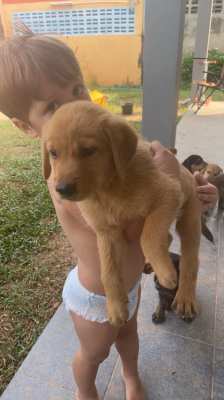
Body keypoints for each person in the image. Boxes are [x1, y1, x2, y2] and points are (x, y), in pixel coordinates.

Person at [0, 34, 218, 400]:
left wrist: (190, 189)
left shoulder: (100, 157)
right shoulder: (70, 186)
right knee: (94, 353)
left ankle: (131, 378)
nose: (74, 107)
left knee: (129, 336)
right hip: (96, 297)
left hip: (127, 285)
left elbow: (142, 178)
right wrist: (166, 177)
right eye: (53, 104)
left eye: (77, 89)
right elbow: (133, 228)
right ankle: (84, 391)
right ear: (27, 128)